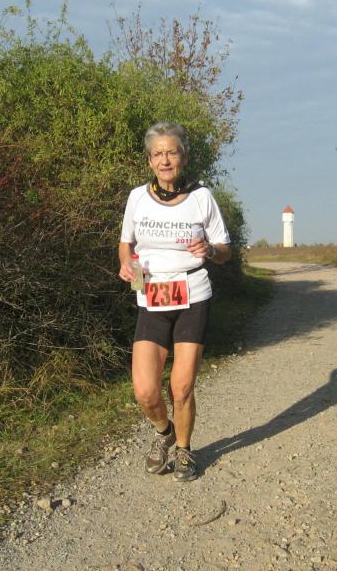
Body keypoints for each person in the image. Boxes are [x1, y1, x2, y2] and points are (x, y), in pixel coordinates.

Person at [118, 121, 231, 482]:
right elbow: (126, 243)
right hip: (151, 296)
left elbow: (225, 251)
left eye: (171, 152)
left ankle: (183, 449)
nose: (164, 160)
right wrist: (126, 263)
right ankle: (164, 432)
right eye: (157, 154)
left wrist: (209, 249)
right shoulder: (137, 197)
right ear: (149, 160)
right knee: (145, 391)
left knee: (181, 387)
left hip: (192, 294)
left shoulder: (201, 197)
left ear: (183, 156)